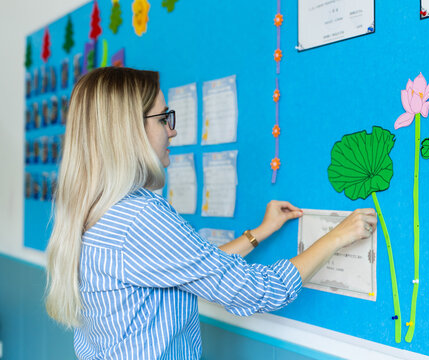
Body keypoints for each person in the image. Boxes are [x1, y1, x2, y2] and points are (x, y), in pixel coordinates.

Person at [45, 67, 377, 359]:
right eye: (163, 118)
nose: (172, 130)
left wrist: (258, 233)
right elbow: (260, 291)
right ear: (129, 130)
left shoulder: (96, 210)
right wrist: (338, 235)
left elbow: (189, 266)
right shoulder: (140, 217)